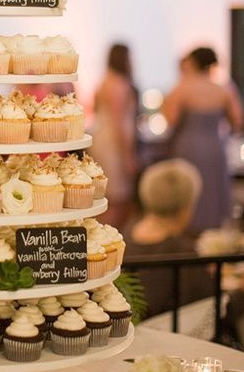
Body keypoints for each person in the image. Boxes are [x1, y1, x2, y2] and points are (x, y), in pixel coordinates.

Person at [162, 47, 244, 233]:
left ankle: (187, 232)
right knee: (213, 192)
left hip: (188, 147)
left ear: (192, 62)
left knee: (189, 190)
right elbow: (237, 121)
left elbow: (170, 120)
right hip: (215, 146)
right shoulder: (223, 89)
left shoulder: (182, 88)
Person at [126, 159, 213, 319]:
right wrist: (243, 293)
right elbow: (208, 312)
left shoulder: (122, 238)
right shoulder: (183, 253)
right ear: (185, 209)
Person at [91, 43, 138, 230]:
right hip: (114, 145)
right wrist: (128, 157)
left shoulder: (103, 82)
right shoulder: (119, 85)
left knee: (107, 196)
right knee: (117, 199)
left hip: (102, 140)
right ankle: (108, 239)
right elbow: (119, 124)